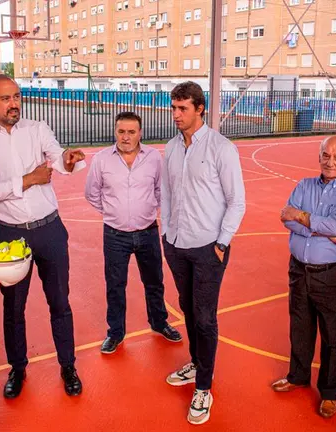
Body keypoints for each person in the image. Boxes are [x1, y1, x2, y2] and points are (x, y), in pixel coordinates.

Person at [0, 74, 87, 398]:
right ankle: (17, 369)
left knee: (60, 302)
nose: (13, 104)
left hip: (49, 229)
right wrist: (29, 179)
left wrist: (68, 160)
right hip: (9, 235)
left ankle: (68, 366)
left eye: (17, 97)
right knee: (13, 307)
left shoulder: (38, 129)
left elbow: (59, 158)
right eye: (5, 98)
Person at [161, 81, 246, 425]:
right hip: (176, 244)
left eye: (183, 108)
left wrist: (222, 243)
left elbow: (236, 201)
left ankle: (204, 387)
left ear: (200, 109)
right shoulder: (170, 147)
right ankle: (197, 362)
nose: (176, 115)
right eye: (174, 108)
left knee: (205, 316)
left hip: (209, 247)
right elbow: (167, 193)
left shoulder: (221, 148)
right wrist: (166, 232)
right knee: (187, 308)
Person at [272, 136, 336, 419]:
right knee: (300, 327)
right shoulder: (303, 185)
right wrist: (320, 229)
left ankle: (329, 392)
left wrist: (301, 217)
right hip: (298, 269)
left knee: (333, 335)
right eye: (326, 155)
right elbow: (285, 218)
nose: (331, 161)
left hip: (331, 273)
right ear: (319, 157)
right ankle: (298, 375)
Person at [84, 111, 182, 354]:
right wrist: (112, 212)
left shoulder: (154, 158)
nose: (125, 137)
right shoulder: (102, 159)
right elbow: (92, 193)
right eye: (121, 131)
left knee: (154, 281)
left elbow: (161, 191)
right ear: (115, 132)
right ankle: (115, 333)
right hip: (115, 234)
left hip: (147, 231)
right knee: (115, 285)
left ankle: (159, 322)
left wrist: (146, 209)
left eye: (131, 132)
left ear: (140, 133)